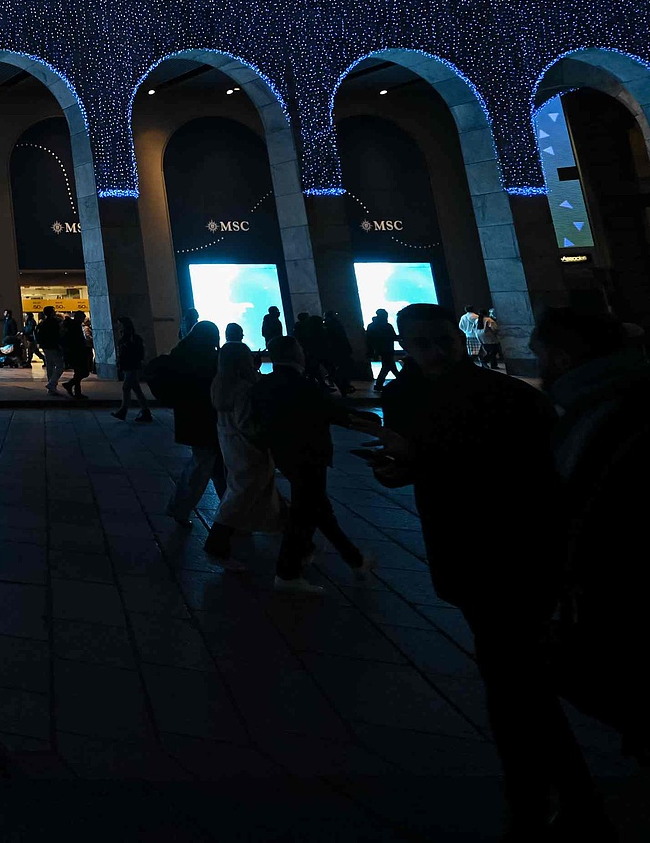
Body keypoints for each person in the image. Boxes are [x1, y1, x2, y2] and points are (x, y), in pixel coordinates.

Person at [364, 304, 610, 840]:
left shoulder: (508, 398)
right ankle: (561, 794)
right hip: (463, 549)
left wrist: (419, 459)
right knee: (518, 681)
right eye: (420, 342)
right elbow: (421, 467)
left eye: (439, 340)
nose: (432, 351)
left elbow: (528, 476)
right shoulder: (405, 396)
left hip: (514, 552)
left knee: (512, 682)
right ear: (404, 345)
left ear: (459, 337)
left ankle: (541, 796)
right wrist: (398, 468)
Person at [530, 306, 650, 759]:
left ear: (558, 358)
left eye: (537, 354)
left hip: (621, 594)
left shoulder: (598, 413)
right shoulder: (601, 403)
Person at [258, 336, 373, 594]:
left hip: (284, 454)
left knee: (317, 508)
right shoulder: (304, 385)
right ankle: (287, 572)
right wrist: (370, 424)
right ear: (295, 353)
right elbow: (333, 413)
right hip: (310, 454)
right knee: (306, 511)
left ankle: (354, 559)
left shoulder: (265, 384)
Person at [207, 322, 284, 571]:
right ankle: (217, 543)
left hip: (229, 443)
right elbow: (247, 423)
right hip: (248, 447)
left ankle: (296, 541)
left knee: (249, 491)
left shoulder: (220, 384)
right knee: (243, 494)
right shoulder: (243, 389)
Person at [150, 320, 223, 527]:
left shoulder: (181, 354)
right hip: (208, 418)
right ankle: (183, 508)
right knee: (205, 466)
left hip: (190, 417)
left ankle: (229, 512)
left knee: (208, 465)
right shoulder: (209, 359)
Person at [110, 316, 151, 422]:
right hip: (130, 365)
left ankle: (123, 411)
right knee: (136, 389)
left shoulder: (130, 338)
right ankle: (145, 411)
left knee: (126, 388)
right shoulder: (128, 337)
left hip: (131, 365)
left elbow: (133, 353)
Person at [60, 311, 92, 398]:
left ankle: (76, 390)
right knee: (83, 372)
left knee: (78, 372)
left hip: (73, 352)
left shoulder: (71, 325)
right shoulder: (75, 326)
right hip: (77, 352)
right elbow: (77, 341)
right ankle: (71, 386)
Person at [364, 308, 398, 391]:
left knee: (388, 367)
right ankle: (404, 381)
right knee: (389, 367)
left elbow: (369, 339)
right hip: (388, 349)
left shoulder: (371, 326)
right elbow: (393, 337)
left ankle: (379, 384)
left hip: (380, 350)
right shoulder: (387, 325)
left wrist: (372, 350)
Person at [36, 307, 64, 396]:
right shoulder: (55, 323)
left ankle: (52, 387)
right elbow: (59, 334)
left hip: (45, 347)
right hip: (54, 346)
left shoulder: (42, 323)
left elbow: (38, 335)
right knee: (60, 366)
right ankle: (52, 384)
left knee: (50, 366)